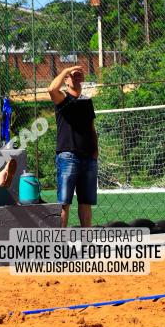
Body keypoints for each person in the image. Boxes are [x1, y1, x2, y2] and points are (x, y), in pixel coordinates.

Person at [48, 65, 98, 227]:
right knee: (64, 202)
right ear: (66, 80)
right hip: (68, 156)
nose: (75, 77)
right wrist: (66, 70)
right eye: (72, 76)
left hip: (88, 158)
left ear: (82, 79)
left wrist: (95, 151)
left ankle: (86, 243)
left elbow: (91, 128)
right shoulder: (62, 99)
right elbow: (51, 89)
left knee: (86, 202)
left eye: (78, 75)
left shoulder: (87, 101)